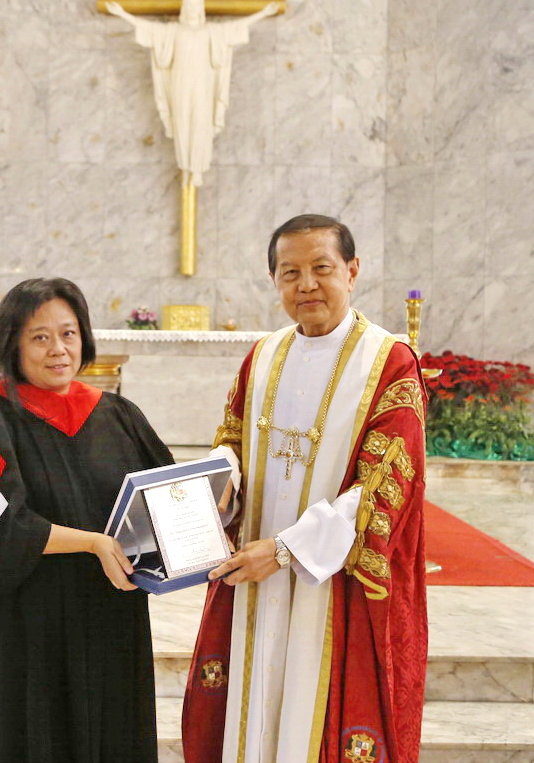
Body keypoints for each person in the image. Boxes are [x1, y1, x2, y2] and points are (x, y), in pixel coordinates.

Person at [182, 215, 428, 763]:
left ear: (352, 271)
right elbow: (233, 437)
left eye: (322, 268)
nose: (307, 285)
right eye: (290, 272)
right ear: (274, 280)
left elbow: (382, 489)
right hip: (253, 570)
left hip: (330, 580)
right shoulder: (263, 355)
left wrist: (286, 550)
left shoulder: (388, 363)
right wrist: (222, 478)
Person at [0, 277, 173, 763]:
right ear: (12, 345)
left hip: (107, 617)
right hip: (21, 624)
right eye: (40, 337)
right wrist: (93, 542)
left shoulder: (118, 414)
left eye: (68, 333)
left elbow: (165, 497)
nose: (58, 349)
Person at [106, 0, 278, 187]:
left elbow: (236, 27)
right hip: (180, 84)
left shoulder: (211, 31)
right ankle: (185, 165)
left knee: (201, 124)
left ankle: (197, 168)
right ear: (184, 8)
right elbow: (149, 29)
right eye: (189, 4)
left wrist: (263, 13)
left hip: (203, 85)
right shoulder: (173, 31)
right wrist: (122, 13)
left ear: (201, 8)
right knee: (182, 123)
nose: (192, 8)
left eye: (196, 4)